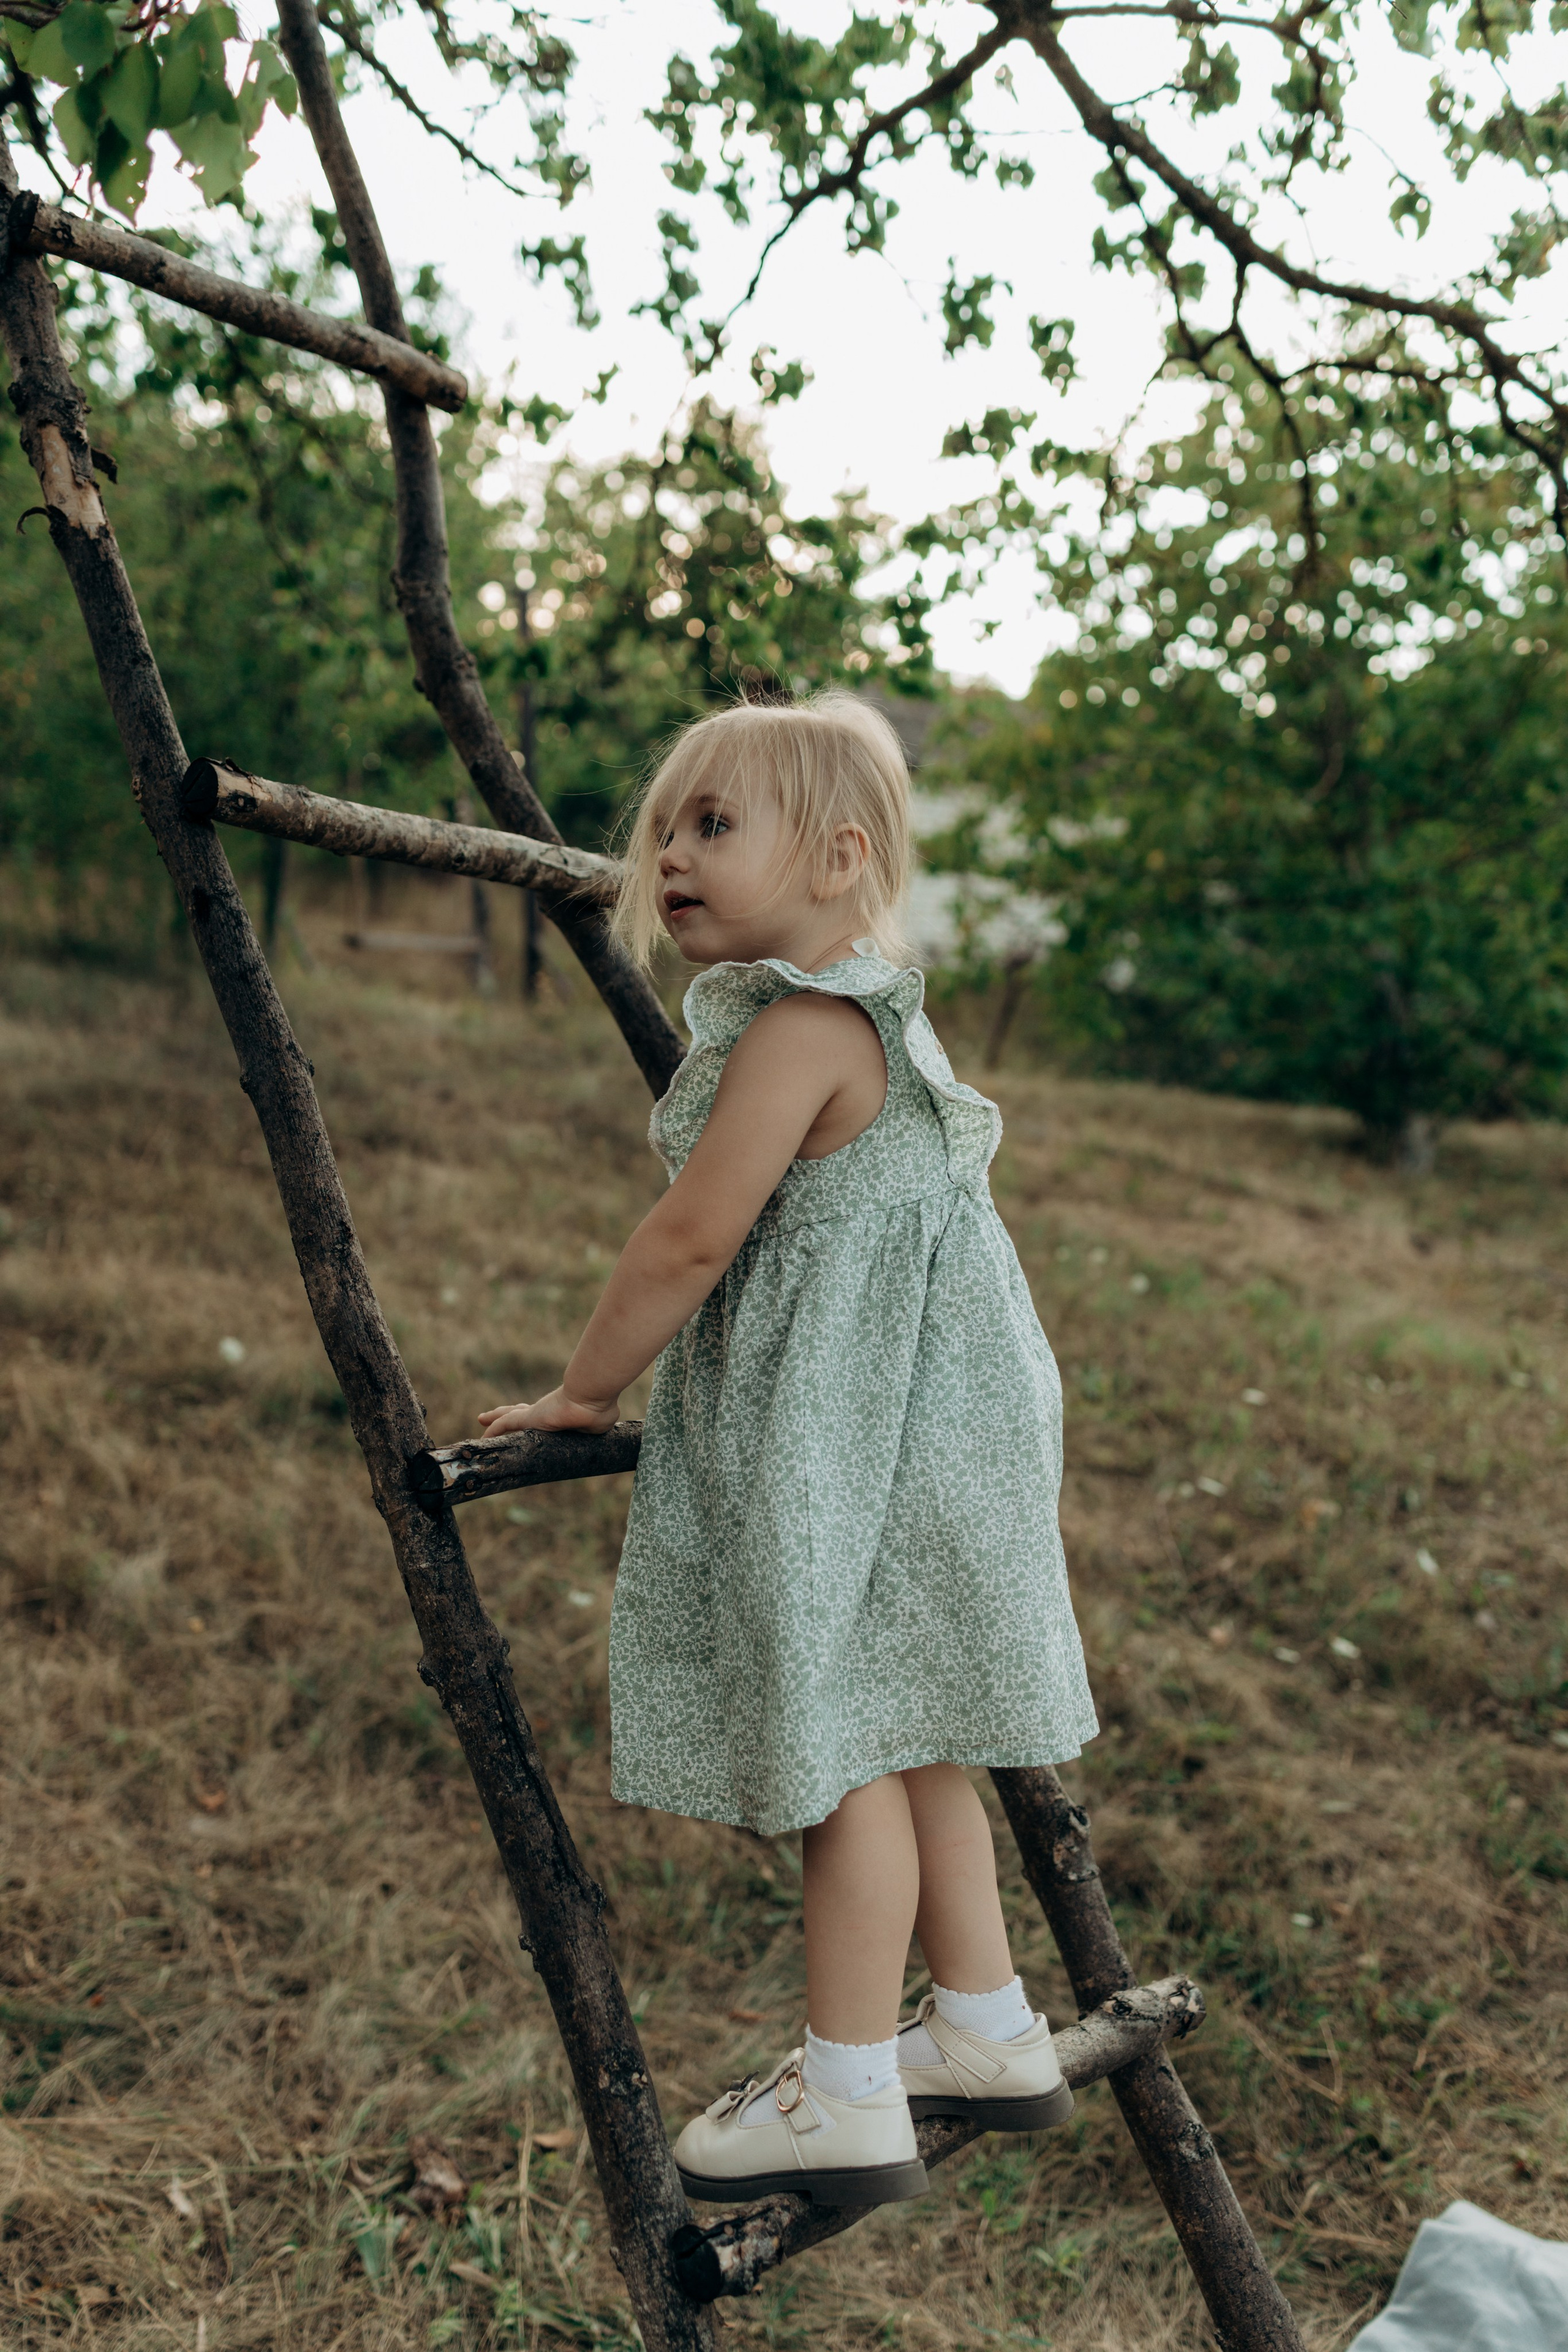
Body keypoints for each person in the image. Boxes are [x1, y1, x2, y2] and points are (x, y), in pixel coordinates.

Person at [478, 692, 1098, 2208]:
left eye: (710, 826)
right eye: (664, 831)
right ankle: (988, 2024)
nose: (670, 857)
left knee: (837, 1755)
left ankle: (842, 2092)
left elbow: (691, 1238)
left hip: (849, 1435)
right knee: (918, 1732)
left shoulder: (804, 1029)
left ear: (833, 858)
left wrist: (582, 1389)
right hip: (945, 1428)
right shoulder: (883, 1004)